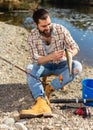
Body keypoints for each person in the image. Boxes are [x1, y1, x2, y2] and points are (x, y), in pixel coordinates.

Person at [20, 8, 82, 118]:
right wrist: (51, 56)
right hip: (44, 66)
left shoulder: (60, 29)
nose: (48, 28)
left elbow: (75, 47)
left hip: (61, 64)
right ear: (36, 24)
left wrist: (71, 54)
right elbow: (36, 60)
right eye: (43, 26)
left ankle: (50, 87)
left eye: (49, 24)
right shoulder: (32, 37)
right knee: (29, 69)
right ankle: (41, 100)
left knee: (77, 67)